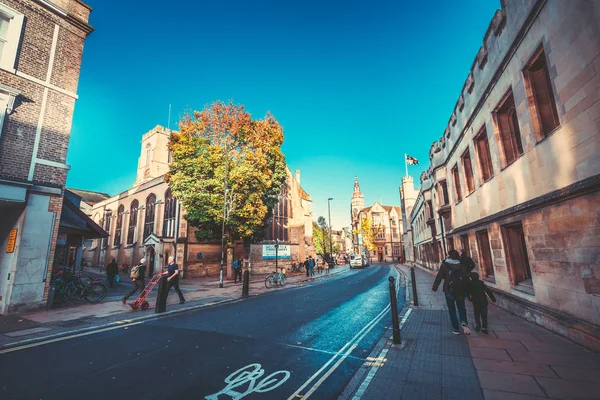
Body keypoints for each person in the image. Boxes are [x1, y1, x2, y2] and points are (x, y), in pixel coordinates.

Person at [432, 249, 471, 335]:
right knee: (461, 308)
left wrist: (434, 288)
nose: (446, 255)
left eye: (447, 254)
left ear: (449, 255)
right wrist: (468, 291)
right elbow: (466, 279)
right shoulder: (461, 265)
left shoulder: (445, 265)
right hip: (460, 290)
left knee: (452, 310)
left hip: (448, 289)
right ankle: (463, 321)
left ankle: (456, 329)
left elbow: (439, 277)